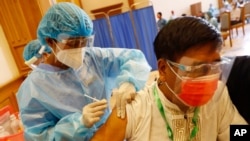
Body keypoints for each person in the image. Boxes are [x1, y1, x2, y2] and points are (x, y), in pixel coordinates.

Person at [90, 17, 247, 141]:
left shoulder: (218, 96)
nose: (210, 79)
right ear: (164, 69)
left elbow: (237, 132)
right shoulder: (135, 109)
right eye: (199, 69)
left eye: (215, 67)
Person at [17, 2, 151, 141]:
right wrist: (77, 124)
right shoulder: (34, 88)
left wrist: (129, 83)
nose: (80, 49)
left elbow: (134, 58)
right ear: (50, 41)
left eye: (84, 42)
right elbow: (37, 137)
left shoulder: (93, 57)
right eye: (73, 43)